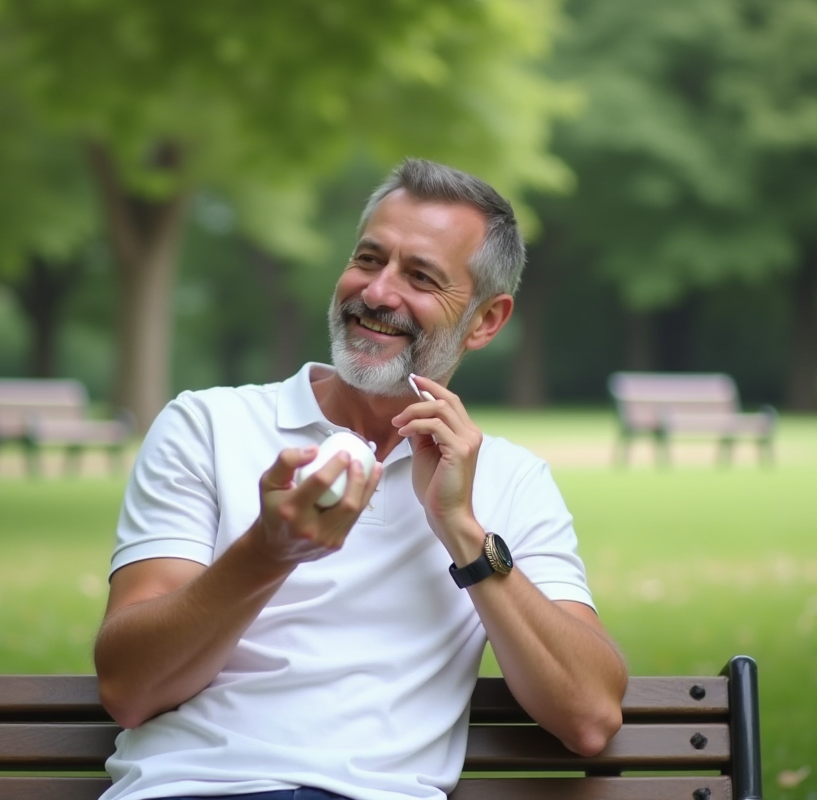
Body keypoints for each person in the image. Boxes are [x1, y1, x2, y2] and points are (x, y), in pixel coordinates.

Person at [95, 158, 628, 800]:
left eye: (421, 276)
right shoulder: (206, 425)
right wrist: (270, 550)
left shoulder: (511, 480)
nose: (376, 293)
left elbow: (590, 716)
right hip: (193, 789)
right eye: (369, 259)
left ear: (486, 320)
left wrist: (462, 531)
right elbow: (129, 689)